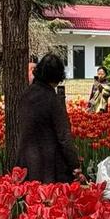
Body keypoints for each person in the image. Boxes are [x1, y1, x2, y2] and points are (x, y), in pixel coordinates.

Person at [16, 53, 82, 183]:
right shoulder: (52, 100)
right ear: (58, 76)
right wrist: (75, 164)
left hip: (26, 161)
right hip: (48, 166)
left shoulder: (25, 95)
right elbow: (64, 138)